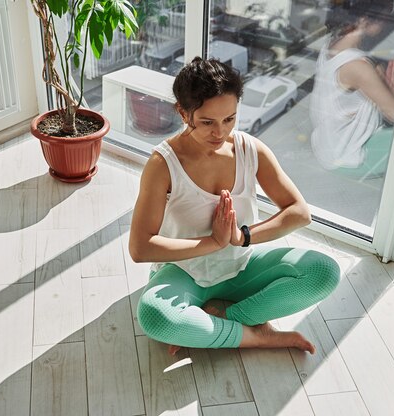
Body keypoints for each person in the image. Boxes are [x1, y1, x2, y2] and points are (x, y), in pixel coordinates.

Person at [129, 57, 340, 356]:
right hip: (184, 272)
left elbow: (299, 212)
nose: (220, 132)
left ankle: (226, 321)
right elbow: (140, 248)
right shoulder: (162, 164)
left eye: (230, 119)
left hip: (241, 265)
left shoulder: (249, 149)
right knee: (155, 316)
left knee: (324, 271)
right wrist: (213, 242)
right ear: (182, 111)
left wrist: (243, 238)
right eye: (207, 122)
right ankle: (259, 338)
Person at [309, 0, 394, 179]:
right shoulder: (357, 66)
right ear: (363, 20)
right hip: (343, 156)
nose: (387, 21)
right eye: (384, 17)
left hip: (326, 145)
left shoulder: (332, 44)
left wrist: (388, 94)